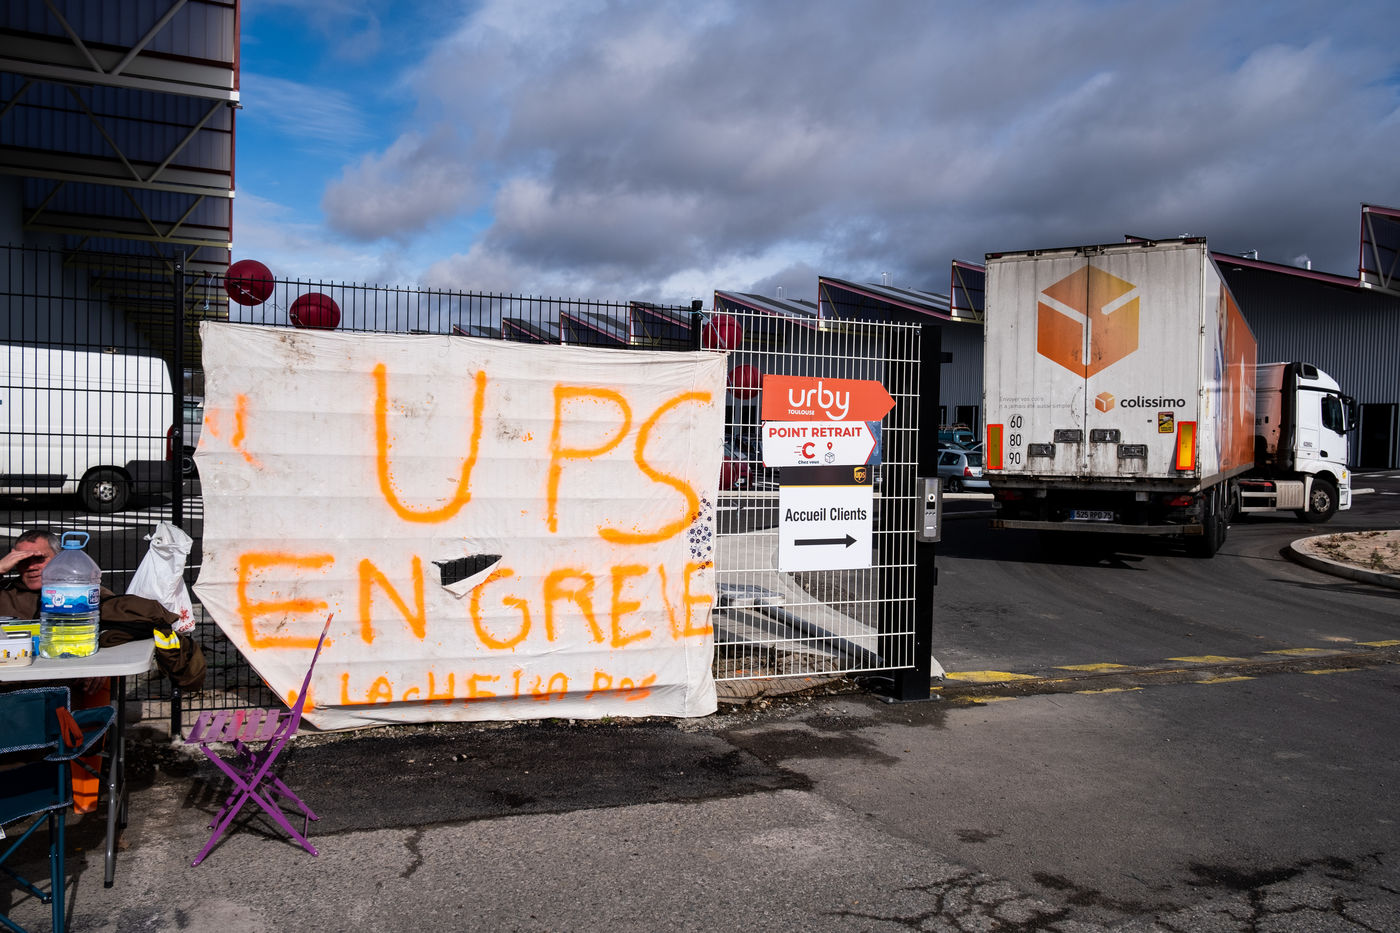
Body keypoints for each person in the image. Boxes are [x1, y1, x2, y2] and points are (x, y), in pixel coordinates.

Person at [2, 528, 204, 810]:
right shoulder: (5, 596)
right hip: (12, 703)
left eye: (39, 558)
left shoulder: (86, 593)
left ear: (59, 560)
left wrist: (99, 664)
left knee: (93, 692)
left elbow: (120, 627)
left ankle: (80, 797)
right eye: (22, 560)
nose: (31, 566)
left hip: (64, 703)